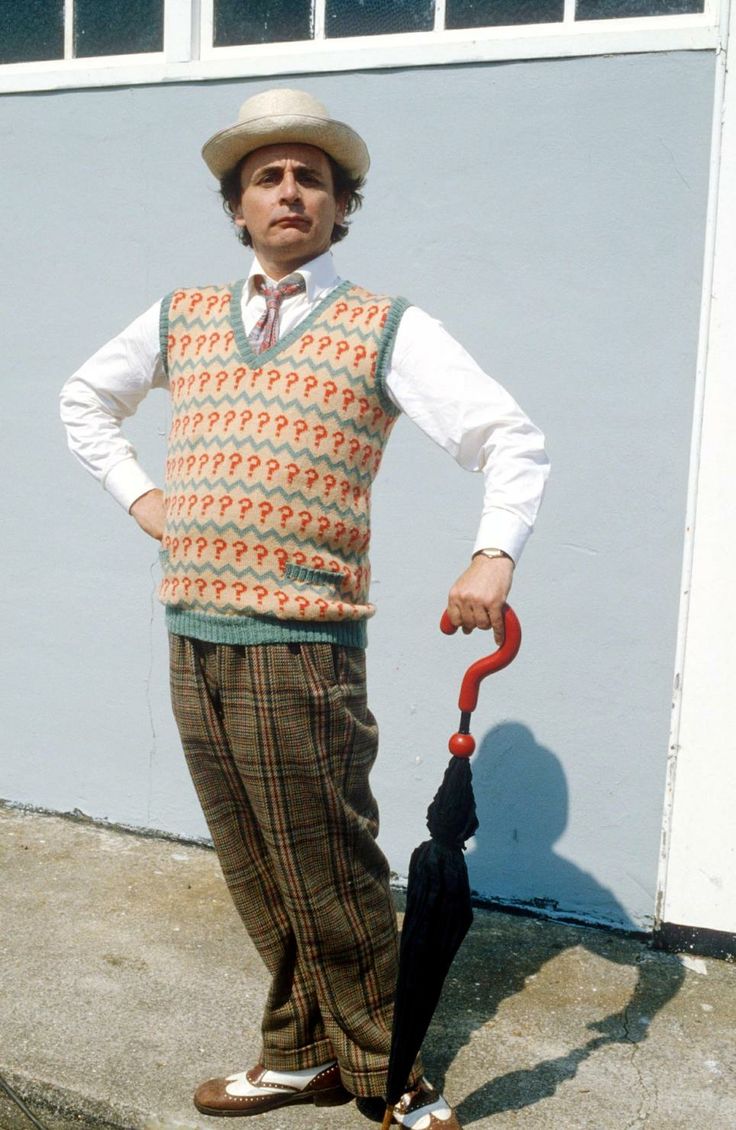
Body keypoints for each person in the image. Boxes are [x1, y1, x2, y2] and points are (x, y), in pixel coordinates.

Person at [60, 88, 549, 1129]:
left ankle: (388, 1068)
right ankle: (297, 1052)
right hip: (192, 630)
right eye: (267, 178)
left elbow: (508, 435)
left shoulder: (383, 326)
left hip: (303, 644)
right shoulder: (180, 315)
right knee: (251, 866)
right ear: (238, 207)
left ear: (338, 207)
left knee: (328, 868)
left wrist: (491, 554)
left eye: (311, 179)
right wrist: (148, 502)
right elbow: (82, 401)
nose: (289, 193)